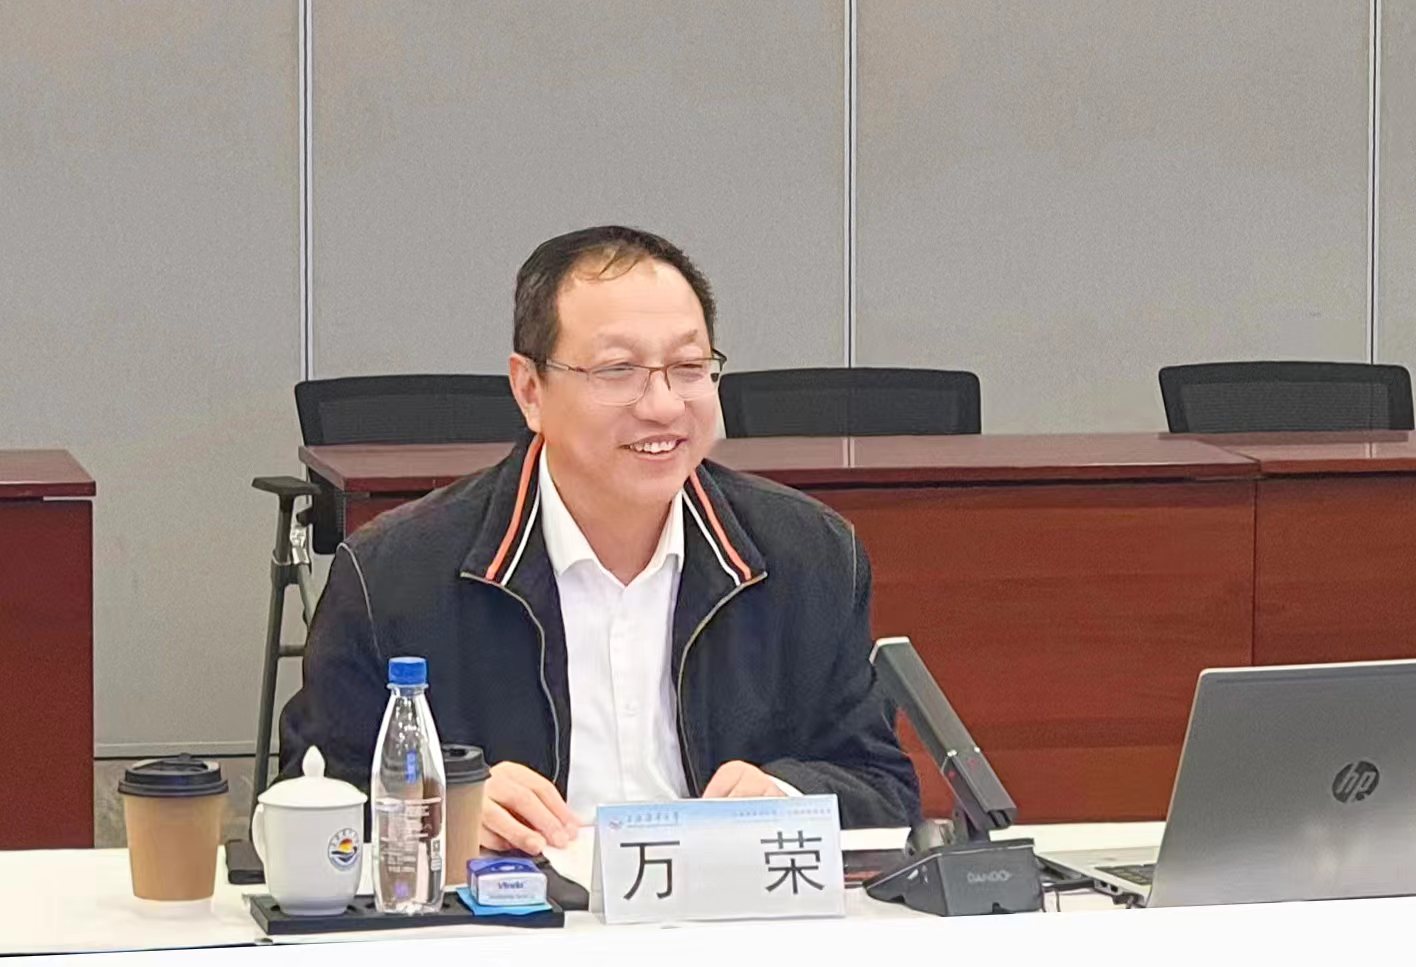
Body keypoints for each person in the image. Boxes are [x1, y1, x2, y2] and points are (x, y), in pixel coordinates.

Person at [280, 225, 920, 854]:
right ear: (530, 390)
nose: (663, 406)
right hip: (513, 910)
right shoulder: (394, 574)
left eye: (689, 367)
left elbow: (882, 785)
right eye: (618, 370)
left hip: (727, 908)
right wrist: (440, 811)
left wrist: (782, 795)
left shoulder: (808, 556)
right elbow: (311, 794)